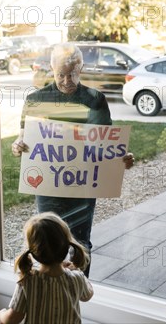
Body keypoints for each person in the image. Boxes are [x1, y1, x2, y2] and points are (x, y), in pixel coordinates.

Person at [11, 43, 134, 277]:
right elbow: (24, 135)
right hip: (49, 182)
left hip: (83, 183)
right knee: (46, 239)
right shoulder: (37, 99)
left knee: (80, 242)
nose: (67, 80)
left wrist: (122, 158)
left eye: (73, 74)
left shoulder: (94, 99)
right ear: (51, 68)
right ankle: (49, 291)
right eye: (61, 75)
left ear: (82, 68)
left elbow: (105, 141)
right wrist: (19, 145)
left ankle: (78, 291)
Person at [0, 212, 94, 324]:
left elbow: (12, 319)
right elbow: (87, 295)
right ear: (67, 246)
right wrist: (76, 271)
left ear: (33, 251)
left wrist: (0, 315)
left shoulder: (28, 281)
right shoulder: (76, 278)